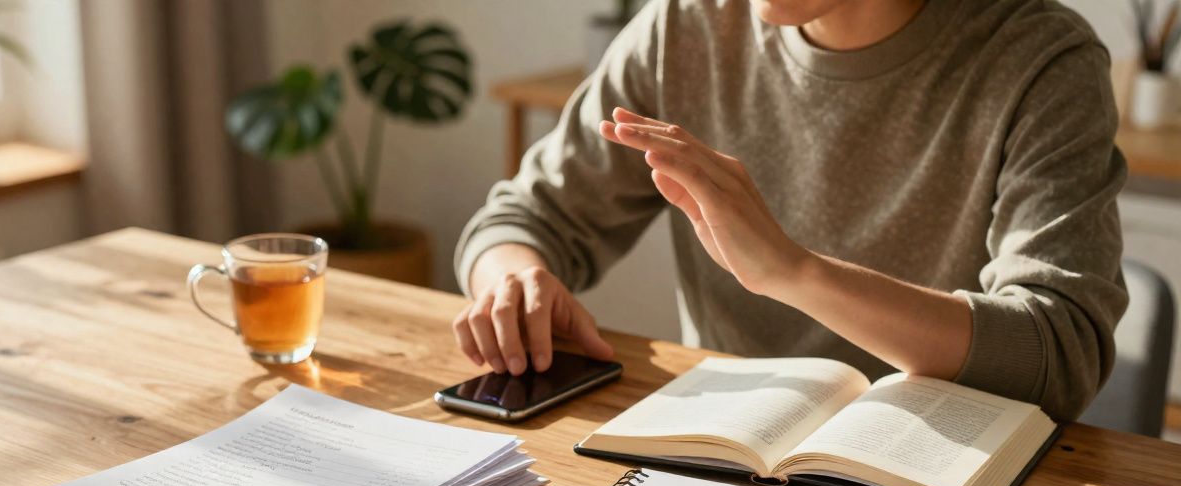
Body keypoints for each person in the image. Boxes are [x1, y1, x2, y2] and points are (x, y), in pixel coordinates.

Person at [451, 0, 1127, 422]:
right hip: (721, 460)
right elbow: (523, 218)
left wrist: (793, 272)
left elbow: (1059, 354)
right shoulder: (686, 27)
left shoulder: (1040, 61)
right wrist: (512, 277)